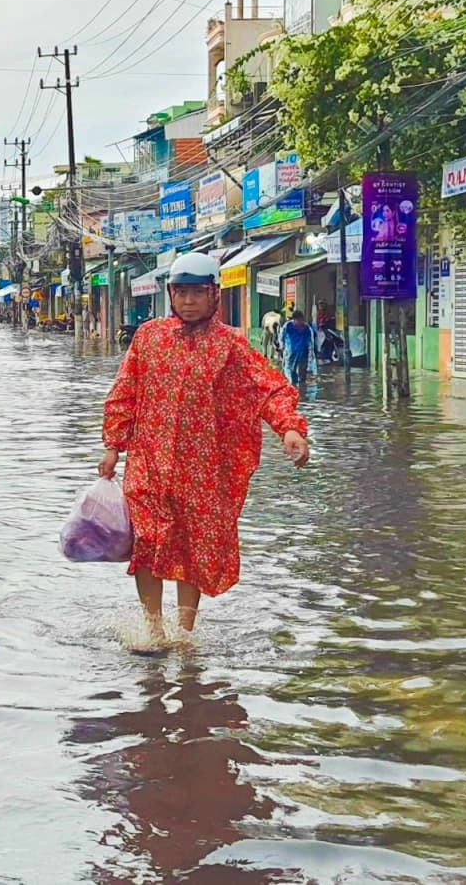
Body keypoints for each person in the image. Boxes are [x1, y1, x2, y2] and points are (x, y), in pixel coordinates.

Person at [98, 252, 310, 643]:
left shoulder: (232, 345)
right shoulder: (149, 337)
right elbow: (124, 392)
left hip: (203, 469)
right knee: (146, 542)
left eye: (198, 292)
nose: (189, 301)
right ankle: (152, 627)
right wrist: (113, 446)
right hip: (148, 462)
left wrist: (290, 430)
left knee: (191, 547)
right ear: (171, 295)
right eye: (181, 292)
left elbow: (272, 389)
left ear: (215, 295)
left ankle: (184, 632)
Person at [280, 310, 315, 388]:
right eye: (298, 320)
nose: (299, 322)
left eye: (301, 320)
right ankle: (294, 384)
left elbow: (311, 340)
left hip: (304, 351)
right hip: (292, 351)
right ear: (294, 319)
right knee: (292, 368)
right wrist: (282, 347)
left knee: (303, 369)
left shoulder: (306, 327)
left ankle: (302, 386)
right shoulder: (288, 326)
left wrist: (311, 351)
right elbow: (282, 336)